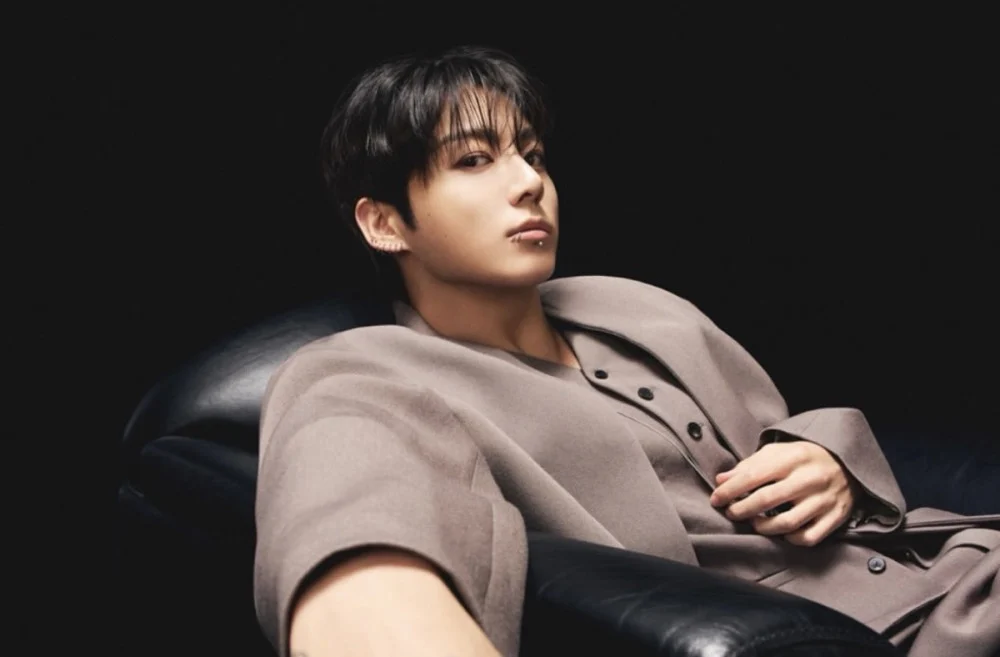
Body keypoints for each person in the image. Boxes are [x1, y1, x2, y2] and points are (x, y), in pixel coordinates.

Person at [253, 45, 1000, 657]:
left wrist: (830, 461)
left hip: (959, 573)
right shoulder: (363, 374)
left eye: (533, 155)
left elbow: (775, 427)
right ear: (384, 223)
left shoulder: (630, 303)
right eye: (474, 160)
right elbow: (354, 538)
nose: (529, 183)